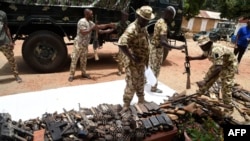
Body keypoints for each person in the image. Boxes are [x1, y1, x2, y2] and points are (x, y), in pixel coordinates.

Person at [187, 36, 238, 117]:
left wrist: (206, 80)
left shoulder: (215, 50)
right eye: (200, 46)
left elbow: (219, 68)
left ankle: (228, 109)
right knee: (207, 79)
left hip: (229, 65)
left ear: (209, 43)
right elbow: (204, 56)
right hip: (219, 64)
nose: (202, 47)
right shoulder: (207, 48)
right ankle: (197, 96)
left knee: (226, 86)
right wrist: (192, 58)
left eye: (203, 45)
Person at [117, 6, 155, 113]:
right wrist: (131, 56)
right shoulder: (132, 28)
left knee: (141, 81)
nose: (146, 22)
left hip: (142, 62)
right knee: (132, 83)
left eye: (148, 20)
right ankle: (126, 104)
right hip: (133, 62)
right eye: (144, 19)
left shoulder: (143, 27)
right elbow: (121, 43)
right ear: (138, 16)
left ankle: (141, 100)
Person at [68, 9, 114, 82]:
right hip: (78, 44)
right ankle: (71, 75)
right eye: (91, 14)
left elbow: (98, 27)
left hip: (85, 45)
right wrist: (92, 27)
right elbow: (84, 32)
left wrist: (108, 25)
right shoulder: (82, 21)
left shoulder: (90, 22)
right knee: (74, 59)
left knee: (83, 60)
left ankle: (84, 73)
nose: (92, 15)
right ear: (86, 14)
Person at [149, 6, 185, 93]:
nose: (172, 19)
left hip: (152, 47)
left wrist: (168, 46)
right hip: (157, 50)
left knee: (151, 66)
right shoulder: (163, 25)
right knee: (156, 69)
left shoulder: (158, 21)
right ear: (169, 14)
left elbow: (160, 38)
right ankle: (153, 88)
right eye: (172, 16)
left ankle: (148, 82)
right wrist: (177, 47)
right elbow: (163, 42)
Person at [0, 10, 22, 83]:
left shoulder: (2, 14)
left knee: (11, 60)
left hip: (4, 42)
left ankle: (16, 75)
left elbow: (6, 28)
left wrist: (10, 41)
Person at [114, 10, 131, 76]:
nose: (126, 18)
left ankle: (126, 70)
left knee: (127, 57)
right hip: (121, 43)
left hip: (127, 42)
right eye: (125, 16)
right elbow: (113, 29)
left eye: (127, 17)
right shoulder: (118, 24)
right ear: (122, 16)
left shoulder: (128, 23)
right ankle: (120, 70)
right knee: (120, 57)